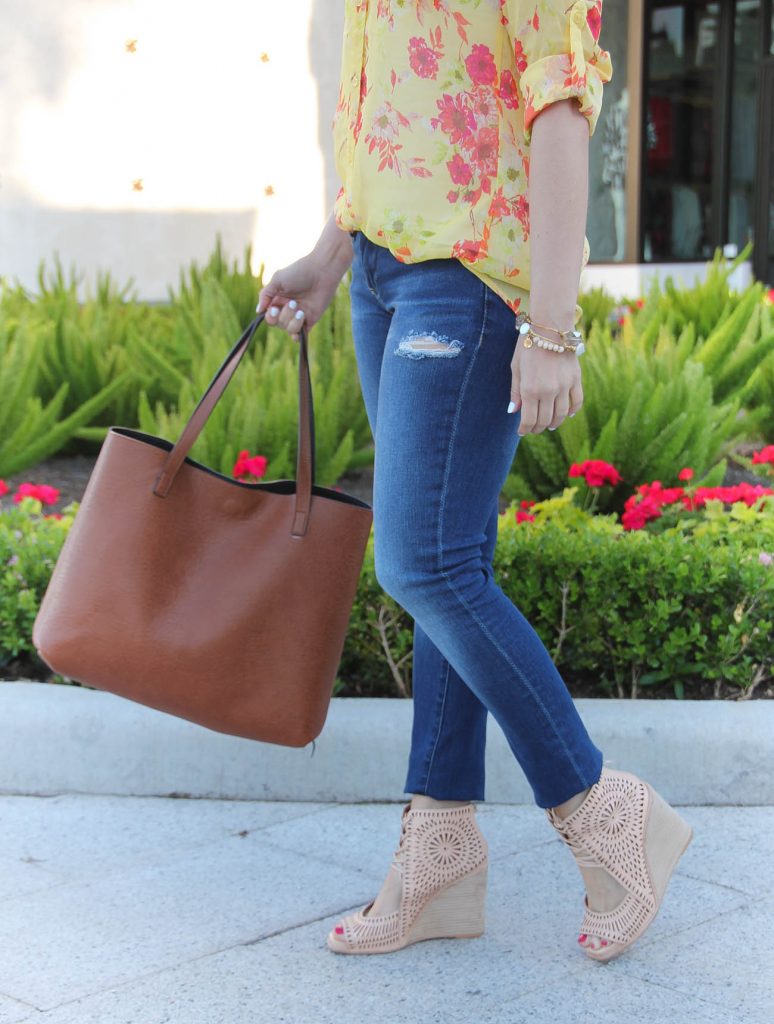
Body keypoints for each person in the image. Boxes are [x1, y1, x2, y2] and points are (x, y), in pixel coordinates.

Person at [257, 0, 693, 961]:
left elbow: (562, 112)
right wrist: (334, 254)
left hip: (469, 274)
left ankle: (604, 807)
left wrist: (551, 327)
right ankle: (441, 850)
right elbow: (393, 106)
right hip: (381, 270)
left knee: (423, 562)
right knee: (446, 555)